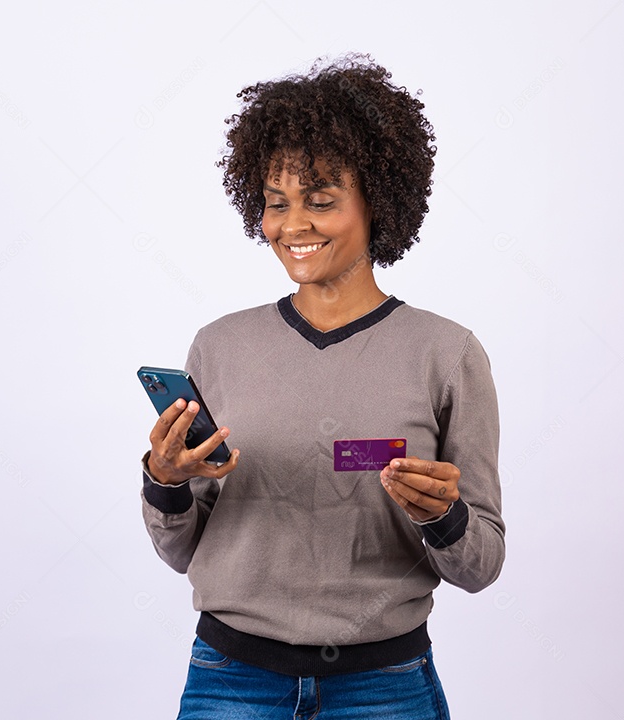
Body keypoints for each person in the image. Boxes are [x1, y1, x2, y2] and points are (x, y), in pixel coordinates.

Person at [140, 54, 505, 719]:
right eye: (275, 204)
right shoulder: (219, 346)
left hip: (384, 687)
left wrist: (441, 517)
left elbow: (480, 564)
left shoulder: (447, 354)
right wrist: (164, 479)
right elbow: (179, 548)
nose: (292, 225)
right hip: (231, 683)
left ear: (378, 200)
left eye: (320, 199)